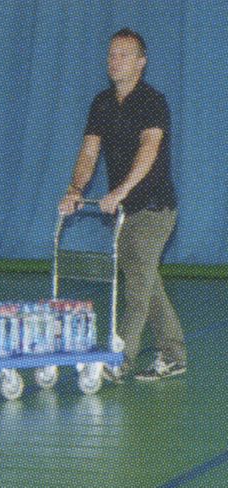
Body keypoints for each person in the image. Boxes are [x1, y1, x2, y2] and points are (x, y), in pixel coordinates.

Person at [58, 28, 186, 382]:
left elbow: (149, 149)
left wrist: (120, 191)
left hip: (156, 207)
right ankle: (174, 354)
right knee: (144, 277)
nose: (114, 61)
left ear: (141, 63)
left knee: (137, 279)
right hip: (128, 209)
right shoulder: (101, 103)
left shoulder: (152, 102)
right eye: (111, 54)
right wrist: (74, 188)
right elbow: (89, 151)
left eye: (123, 55)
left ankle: (120, 358)